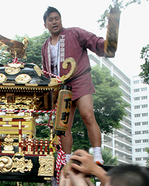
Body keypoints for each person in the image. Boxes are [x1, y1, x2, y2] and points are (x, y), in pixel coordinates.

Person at [42, 6, 112, 165]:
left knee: (88, 115)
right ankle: (66, 161)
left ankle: (97, 155)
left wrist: (107, 44)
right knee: (63, 126)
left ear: (61, 20)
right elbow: (46, 71)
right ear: (45, 24)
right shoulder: (45, 46)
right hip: (60, 88)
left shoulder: (74, 33)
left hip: (80, 80)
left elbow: (94, 41)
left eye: (56, 18)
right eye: (50, 20)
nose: (54, 22)